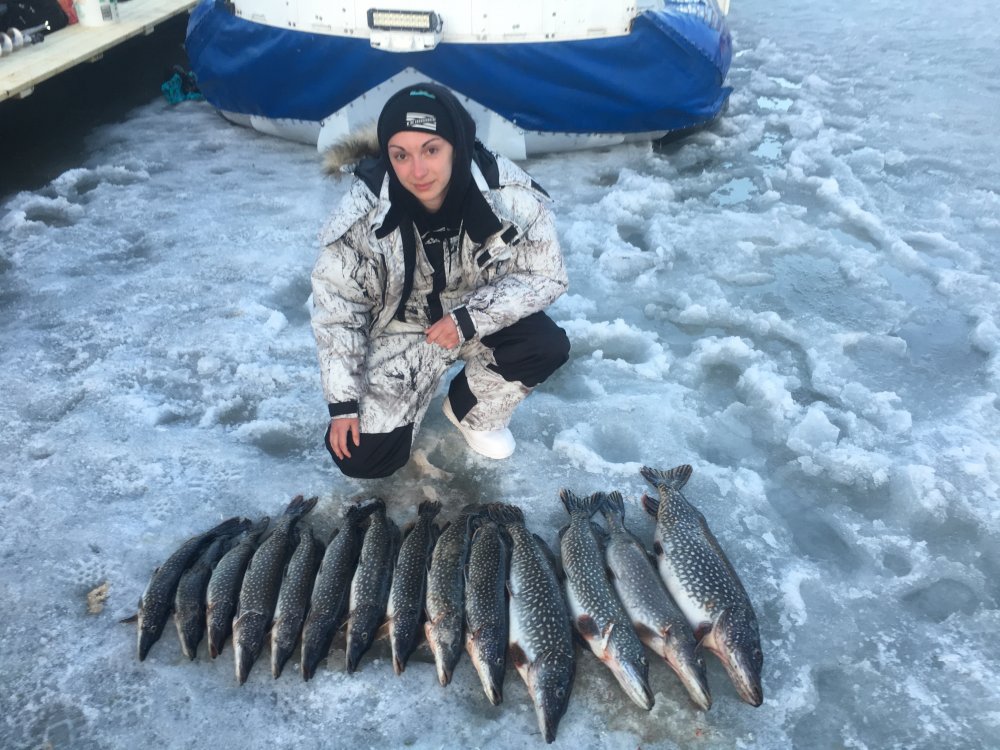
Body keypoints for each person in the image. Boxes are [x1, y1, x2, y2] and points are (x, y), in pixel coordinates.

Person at [311, 82, 570, 479]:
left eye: (431, 150)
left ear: (457, 146)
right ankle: (406, 401)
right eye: (401, 155)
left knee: (544, 344)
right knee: (363, 458)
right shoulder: (361, 213)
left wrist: (468, 319)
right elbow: (338, 308)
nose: (417, 171)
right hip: (401, 331)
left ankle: (471, 411)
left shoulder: (509, 195)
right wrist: (343, 404)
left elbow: (545, 274)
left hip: (477, 320)